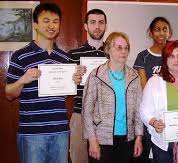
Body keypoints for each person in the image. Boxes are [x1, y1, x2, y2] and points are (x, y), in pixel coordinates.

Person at [5, 3, 83, 163]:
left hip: (60, 131)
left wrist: (73, 82)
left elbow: (65, 93)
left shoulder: (64, 58)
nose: (51, 25)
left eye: (55, 21)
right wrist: (22, 80)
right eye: (46, 20)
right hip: (32, 133)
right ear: (35, 24)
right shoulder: (20, 56)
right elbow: (9, 94)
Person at [82, 32, 143, 163]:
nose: (124, 52)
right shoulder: (96, 75)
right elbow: (87, 111)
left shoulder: (134, 76)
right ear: (108, 49)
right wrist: (92, 140)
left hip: (127, 139)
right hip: (101, 139)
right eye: (119, 47)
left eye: (126, 48)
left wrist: (139, 137)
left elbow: (138, 111)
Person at [68, 9, 107, 163]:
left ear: (105, 25)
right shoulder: (73, 55)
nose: (97, 26)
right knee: (79, 159)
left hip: (107, 118)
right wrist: (73, 79)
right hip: (80, 115)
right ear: (86, 26)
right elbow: (66, 90)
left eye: (101, 22)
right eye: (93, 22)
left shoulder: (112, 54)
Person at [133, 16, 172, 163]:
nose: (161, 33)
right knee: (146, 153)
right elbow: (144, 87)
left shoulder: (174, 55)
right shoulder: (143, 56)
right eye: (157, 30)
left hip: (170, 112)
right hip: (149, 113)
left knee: (166, 154)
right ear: (151, 33)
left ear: (170, 33)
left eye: (164, 29)